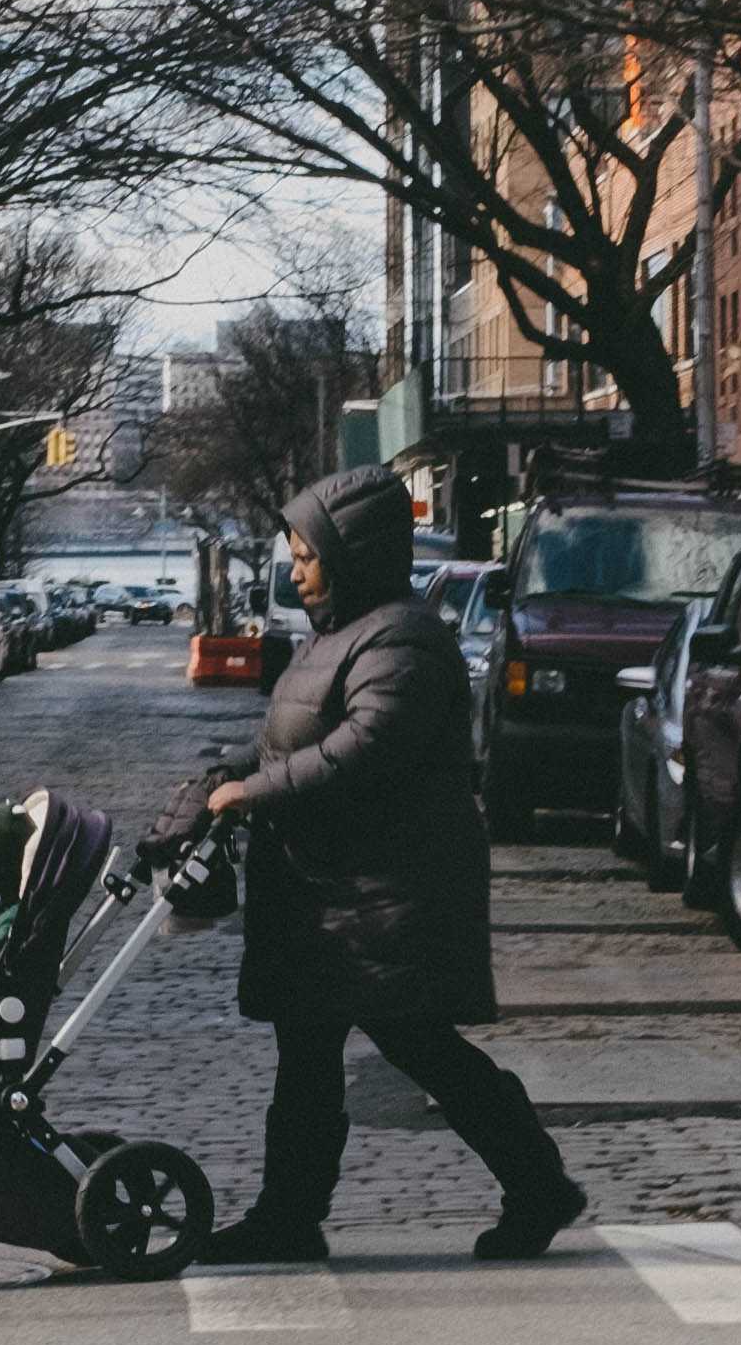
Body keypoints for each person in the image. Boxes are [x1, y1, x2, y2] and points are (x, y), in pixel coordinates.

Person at [188, 464, 582, 1264]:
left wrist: (254, 791)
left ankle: (538, 1185)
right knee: (306, 1053)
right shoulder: (337, 637)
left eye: (306, 554)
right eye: (292, 554)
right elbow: (290, 742)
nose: (295, 569)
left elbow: (363, 748)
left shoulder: (402, 637)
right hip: (330, 887)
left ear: (351, 552)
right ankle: (287, 1216)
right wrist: (218, 778)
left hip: (386, 890)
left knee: (419, 1044)